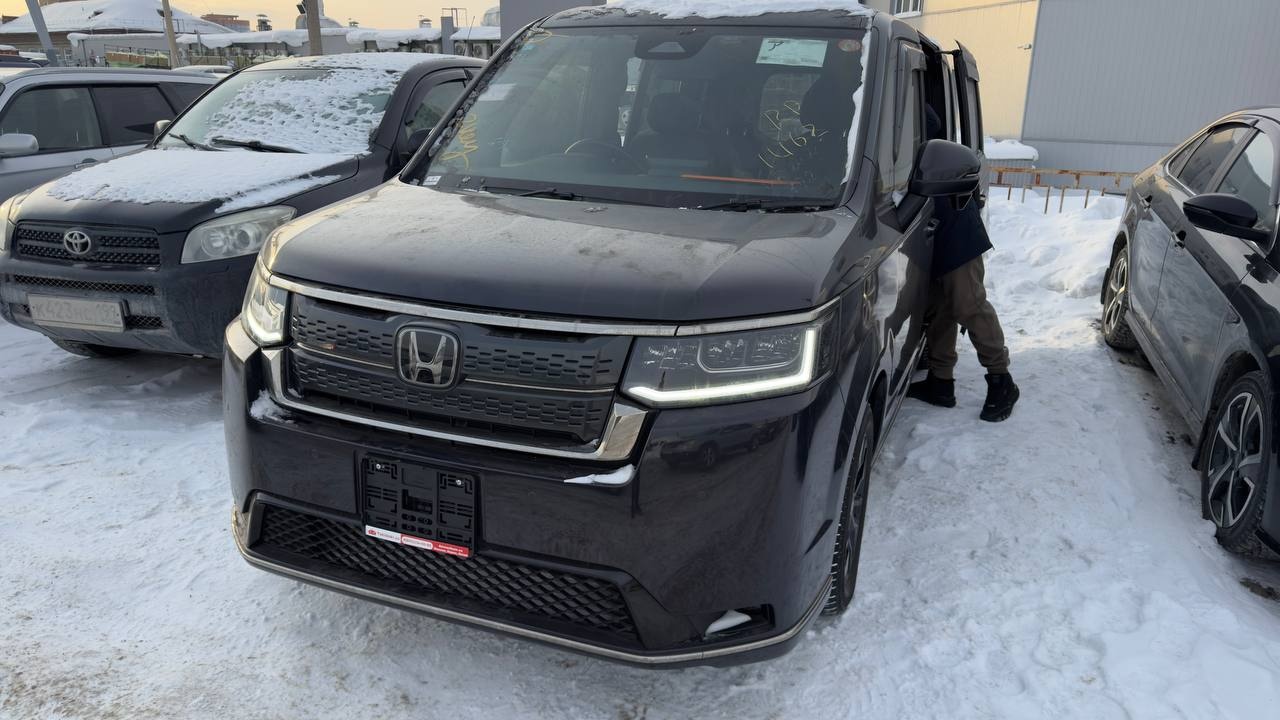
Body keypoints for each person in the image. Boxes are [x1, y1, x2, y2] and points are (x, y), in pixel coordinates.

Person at [908, 107, 1020, 422]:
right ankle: (941, 382)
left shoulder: (902, 107)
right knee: (939, 307)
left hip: (955, 226)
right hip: (927, 224)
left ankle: (1002, 380)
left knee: (968, 305)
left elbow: (931, 123)